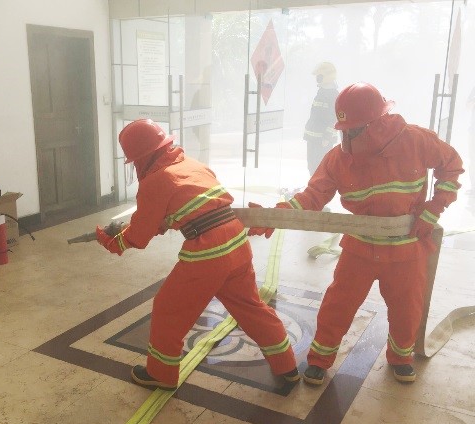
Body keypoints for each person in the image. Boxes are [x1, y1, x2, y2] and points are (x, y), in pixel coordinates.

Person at [249, 82, 464, 385]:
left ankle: (400, 357)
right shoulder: (338, 159)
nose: (347, 139)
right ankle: (320, 359)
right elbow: (313, 196)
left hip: (406, 249)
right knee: (338, 304)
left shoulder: (417, 141)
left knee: (407, 308)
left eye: (354, 131)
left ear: (378, 124)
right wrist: (276, 215)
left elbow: (452, 166)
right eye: (344, 131)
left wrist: (434, 208)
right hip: (360, 248)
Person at [96, 118, 299, 390]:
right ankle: (287, 365)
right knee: (250, 307)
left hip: (208, 251)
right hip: (236, 242)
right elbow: (191, 208)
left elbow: (139, 236)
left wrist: (115, 242)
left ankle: (160, 374)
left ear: (141, 158)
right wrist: (158, 223)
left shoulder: (155, 181)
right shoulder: (193, 165)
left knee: (168, 308)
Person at [303, 62, 340, 176]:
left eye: (319, 75)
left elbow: (335, 118)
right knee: (312, 167)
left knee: (321, 169)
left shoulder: (333, 95)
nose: (317, 78)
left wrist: (327, 138)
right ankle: (313, 187)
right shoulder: (322, 91)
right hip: (313, 139)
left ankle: (319, 187)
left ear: (327, 76)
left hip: (322, 141)